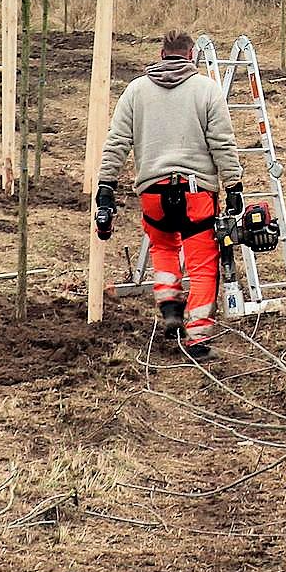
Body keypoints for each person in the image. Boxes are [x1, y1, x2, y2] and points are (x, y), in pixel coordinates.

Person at [97, 31, 243, 357]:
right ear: (191, 55)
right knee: (203, 264)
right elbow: (222, 143)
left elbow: (116, 142)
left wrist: (105, 187)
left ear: (162, 53)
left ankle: (170, 307)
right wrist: (233, 185)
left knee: (163, 248)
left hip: (152, 192)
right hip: (196, 193)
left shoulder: (136, 90)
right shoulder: (206, 90)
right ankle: (198, 339)